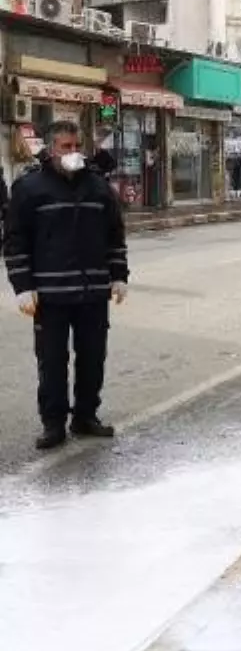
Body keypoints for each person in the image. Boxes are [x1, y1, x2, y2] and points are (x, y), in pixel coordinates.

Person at [4, 120, 129, 450]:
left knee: (92, 359)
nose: (73, 153)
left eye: (77, 147)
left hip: (92, 292)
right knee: (52, 362)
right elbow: (15, 241)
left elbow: (115, 235)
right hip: (50, 294)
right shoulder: (30, 188)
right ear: (51, 149)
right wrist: (22, 286)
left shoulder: (98, 186)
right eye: (65, 147)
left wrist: (118, 276)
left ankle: (86, 416)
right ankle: (53, 423)